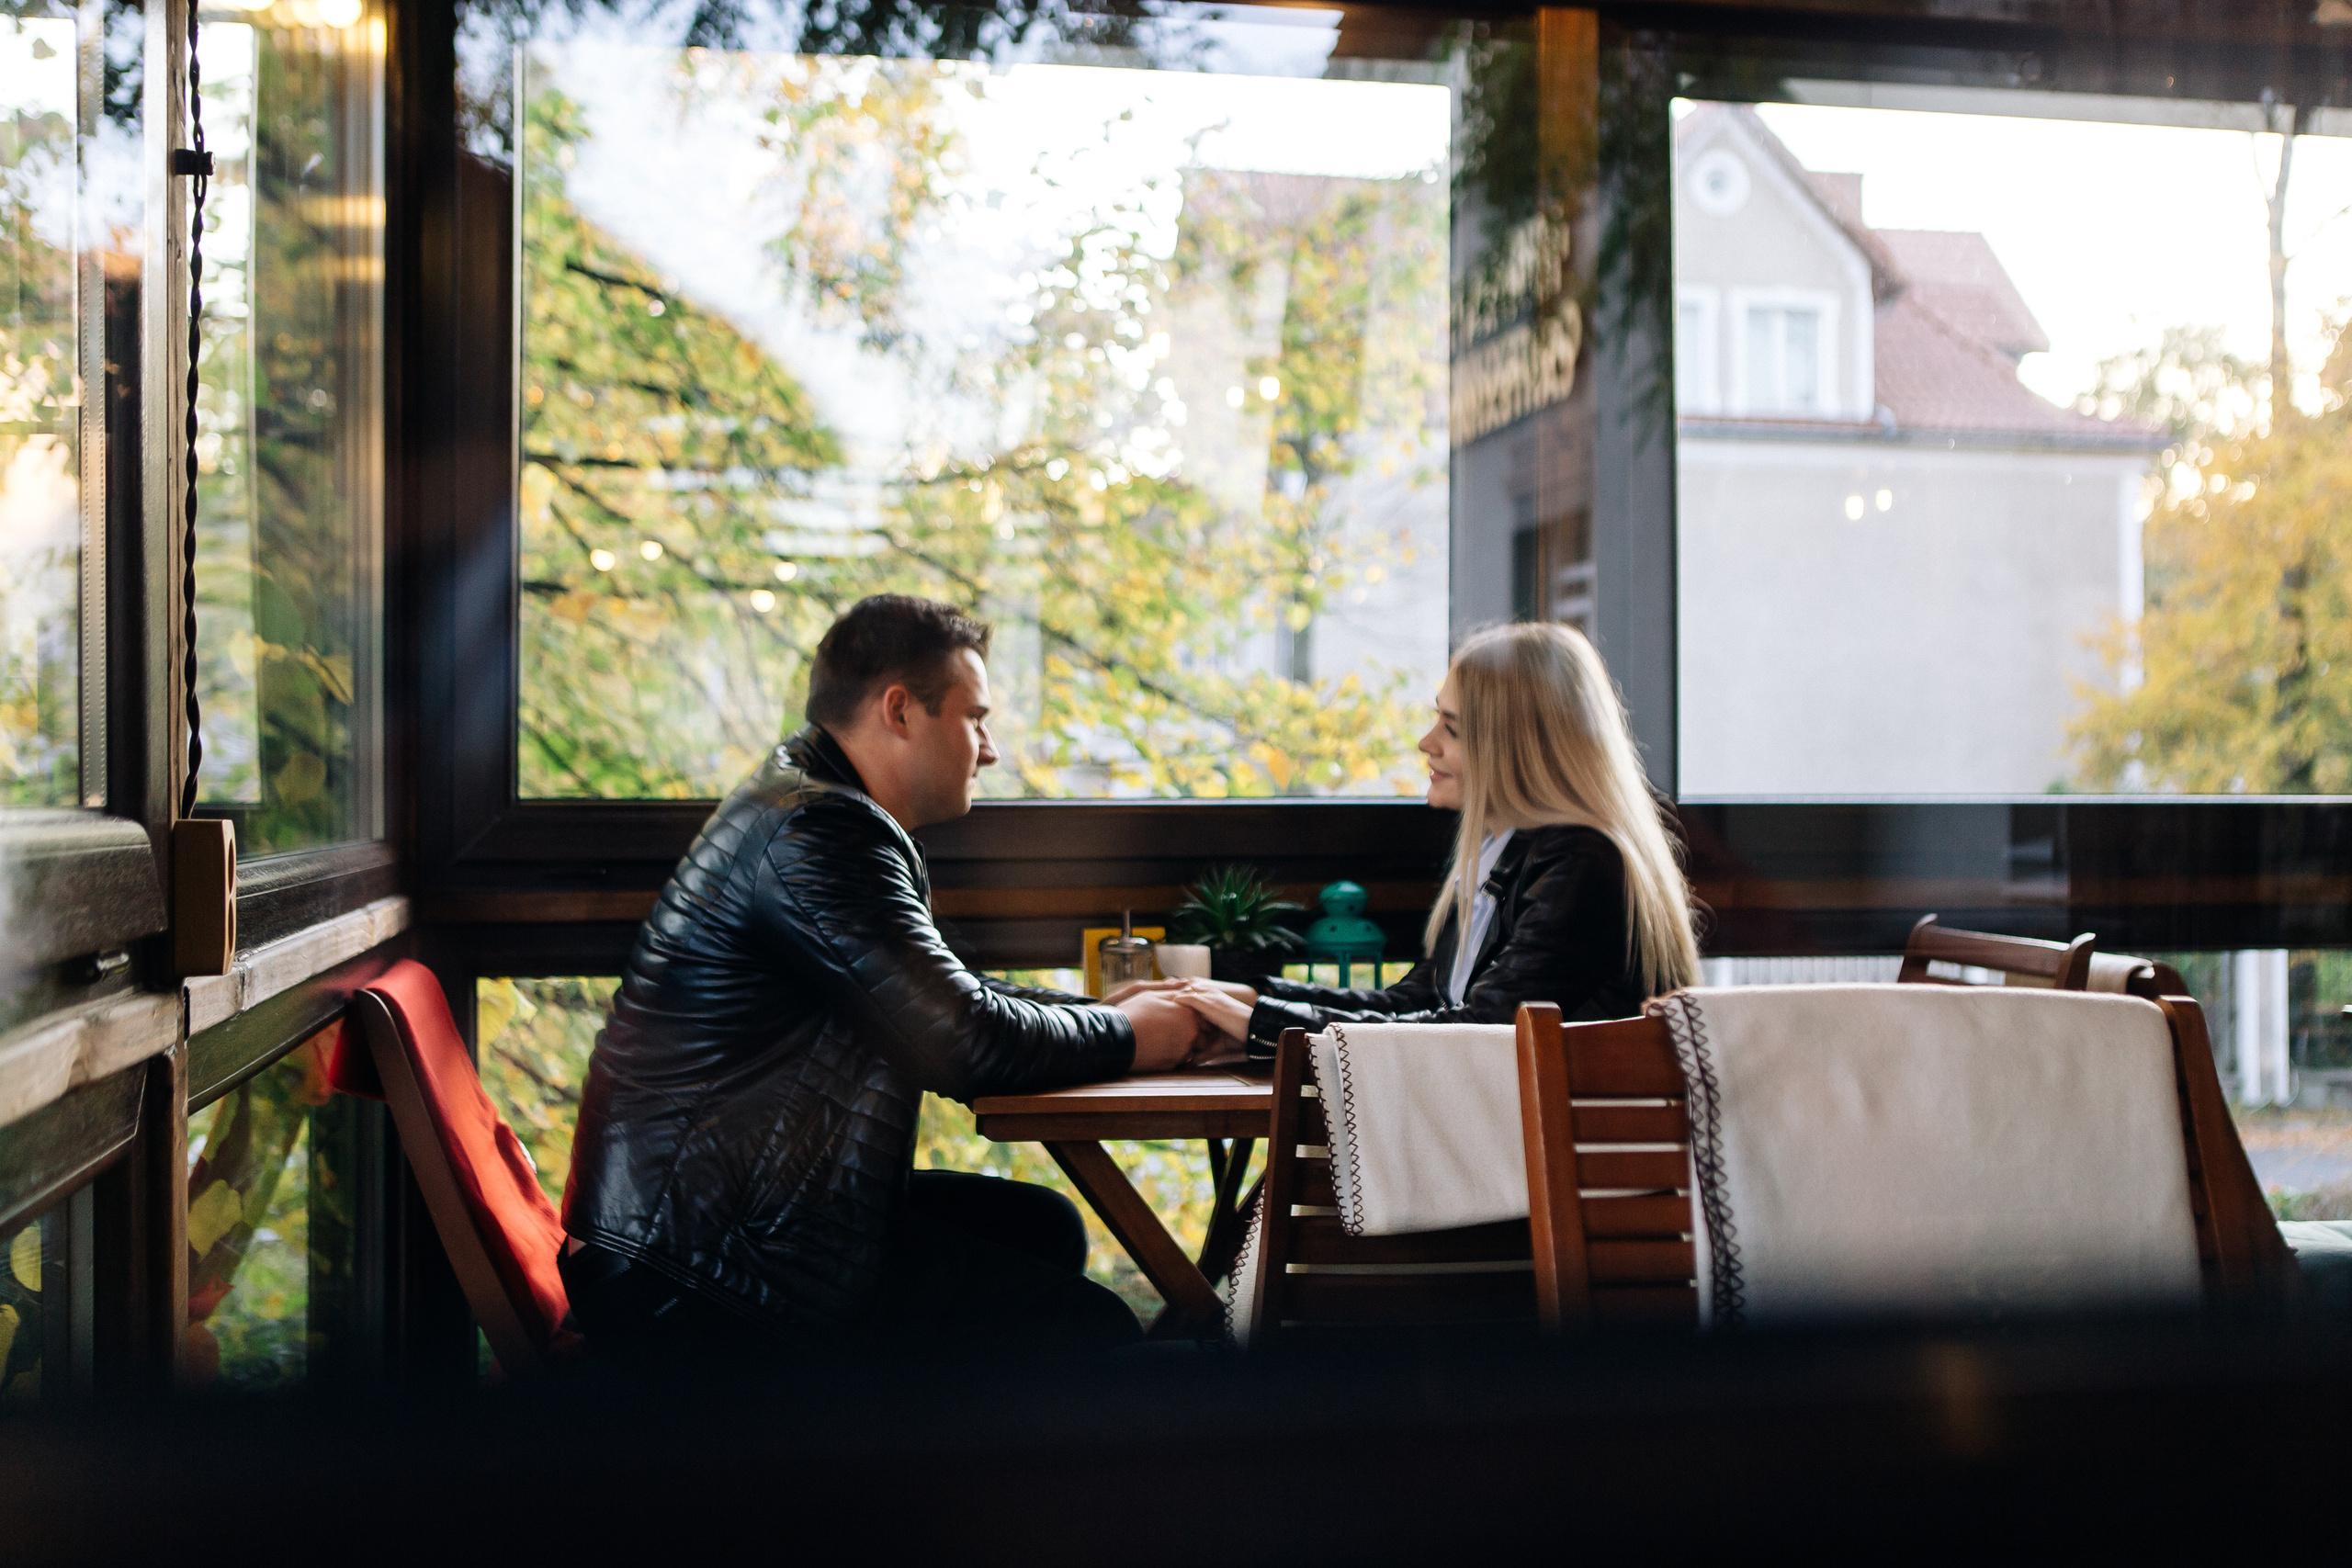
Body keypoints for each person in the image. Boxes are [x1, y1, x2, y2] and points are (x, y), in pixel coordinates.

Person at [560, 594, 1209, 1360]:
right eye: (975, 719)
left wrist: (1105, 1014)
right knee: (1092, 1326)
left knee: (1043, 1227)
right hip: (691, 1281)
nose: (990, 750)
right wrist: (1130, 1034)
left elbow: (946, 999)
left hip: (697, 1229)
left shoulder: (809, 805)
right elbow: (965, 1041)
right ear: (900, 710)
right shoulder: (817, 834)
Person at [1134, 621, 1702, 1051]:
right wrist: (1256, 999)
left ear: (1513, 748)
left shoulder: (1579, 863)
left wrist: (1263, 1022)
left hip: (1540, 1164)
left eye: (1451, 728)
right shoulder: (1510, 853)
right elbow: (1417, 1001)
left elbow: (1480, 1034)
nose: (1426, 743)